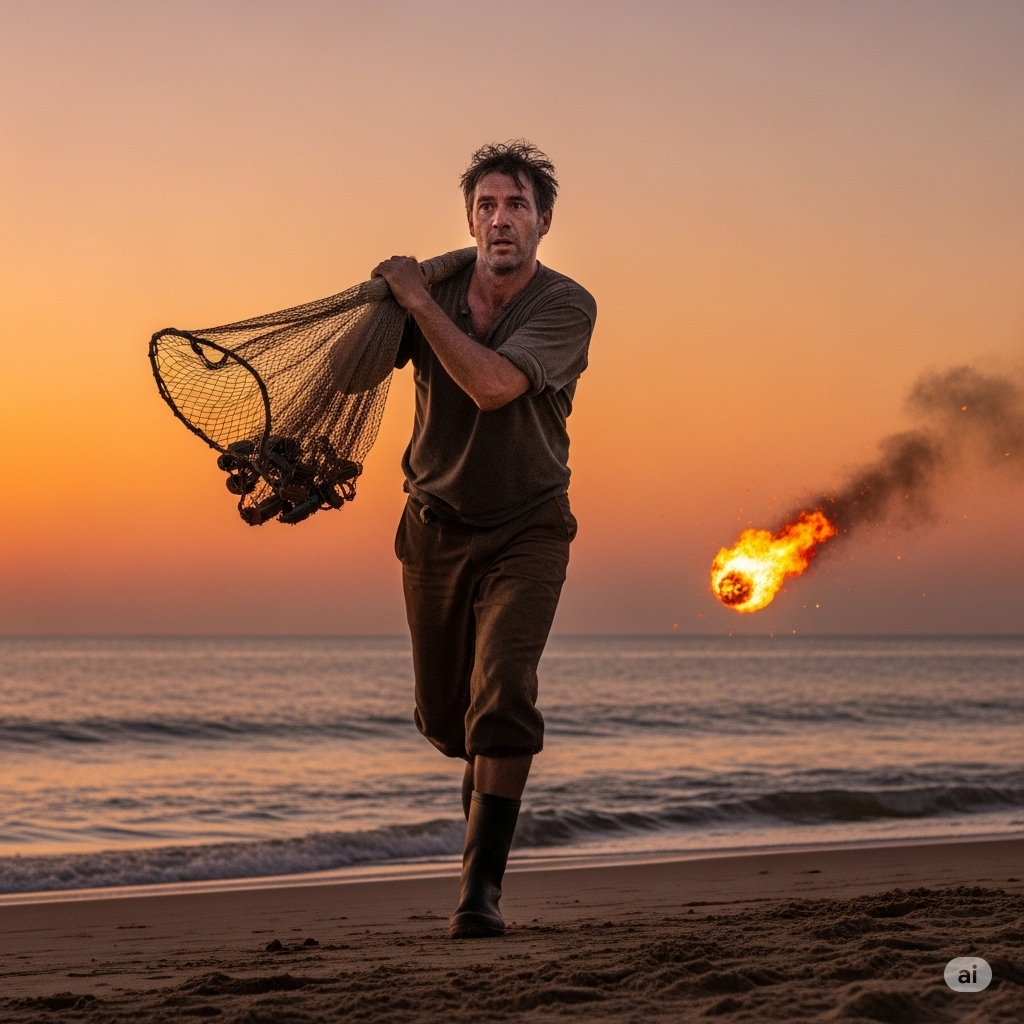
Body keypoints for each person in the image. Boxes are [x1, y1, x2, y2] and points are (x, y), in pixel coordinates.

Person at [372, 141, 596, 939]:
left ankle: (479, 894)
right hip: (433, 526)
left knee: (501, 695)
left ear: (543, 221)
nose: (501, 221)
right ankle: (481, 764)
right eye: (487, 207)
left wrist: (419, 305)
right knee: (447, 720)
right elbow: (353, 379)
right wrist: (376, 306)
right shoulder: (429, 291)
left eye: (516, 207)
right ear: (470, 219)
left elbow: (496, 387)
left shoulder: (566, 306)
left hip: (528, 525)